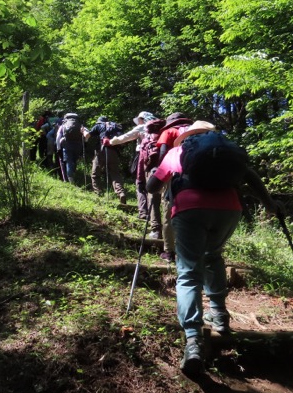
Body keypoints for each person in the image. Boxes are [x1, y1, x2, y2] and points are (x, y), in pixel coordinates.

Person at [146, 120, 280, 376]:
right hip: (229, 210)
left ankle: (194, 340)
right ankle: (219, 315)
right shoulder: (226, 153)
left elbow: (153, 186)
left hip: (189, 209)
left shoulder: (178, 151)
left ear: (185, 136)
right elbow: (250, 176)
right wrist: (270, 204)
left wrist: (156, 182)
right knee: (213, 256)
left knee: (188, 273)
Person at [152, 112, 194, 262]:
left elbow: (163, 151)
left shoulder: (169, 131)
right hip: (198, 176)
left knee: (169, 211)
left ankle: (169, 252)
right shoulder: (195, 131)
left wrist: (160, 172)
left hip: (175, 174)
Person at [105, 111, 158, 220]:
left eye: (138, 120)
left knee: (140, 183)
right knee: (152, 185)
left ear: (141, 119)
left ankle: (143, 213)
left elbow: (124, 137)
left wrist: (110, 142)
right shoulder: (159, 128)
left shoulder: (142, 127)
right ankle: (155, 218)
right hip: (157, 158)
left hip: (142, 156)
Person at [85, 117, 127, 204]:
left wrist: (83, 131)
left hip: (101, 151)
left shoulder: (98, 126)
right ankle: (121, 193)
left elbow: (87, 136)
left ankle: (98, 193)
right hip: (113, 152)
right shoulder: (115, 126)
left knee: (95, 173)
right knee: (115, 173)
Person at [56, 112, 87, 184]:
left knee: (69, 161)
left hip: (67, 145)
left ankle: (70, 179)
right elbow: (87, 134)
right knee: (74, 161)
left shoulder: (63, 126)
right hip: (78, 145)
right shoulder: (80, 125)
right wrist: (85, 143)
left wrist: (58, 148)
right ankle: (73, 174)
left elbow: (58, 137)